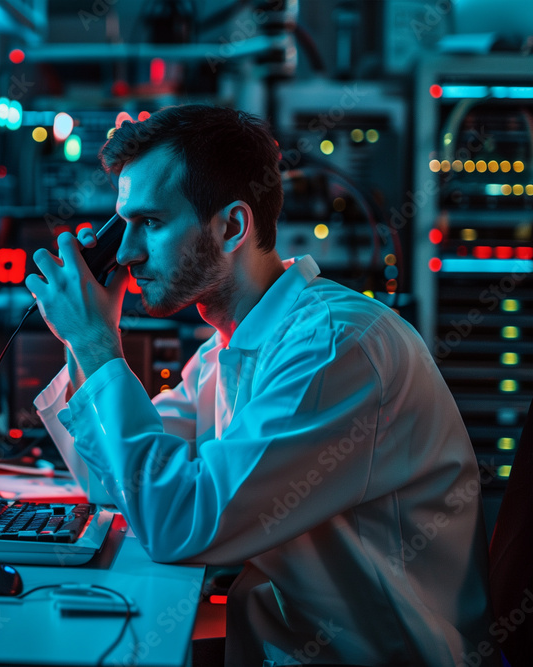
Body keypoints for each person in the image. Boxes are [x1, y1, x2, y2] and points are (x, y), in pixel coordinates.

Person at [28, 105, 497, 666]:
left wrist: (99, 346)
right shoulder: (230, 347)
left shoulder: (332, 348)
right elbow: (118, 484)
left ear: (232, 227)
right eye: (122, 226)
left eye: (150, 223)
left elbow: (176, 523)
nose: (126, 254)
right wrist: (84, 341)